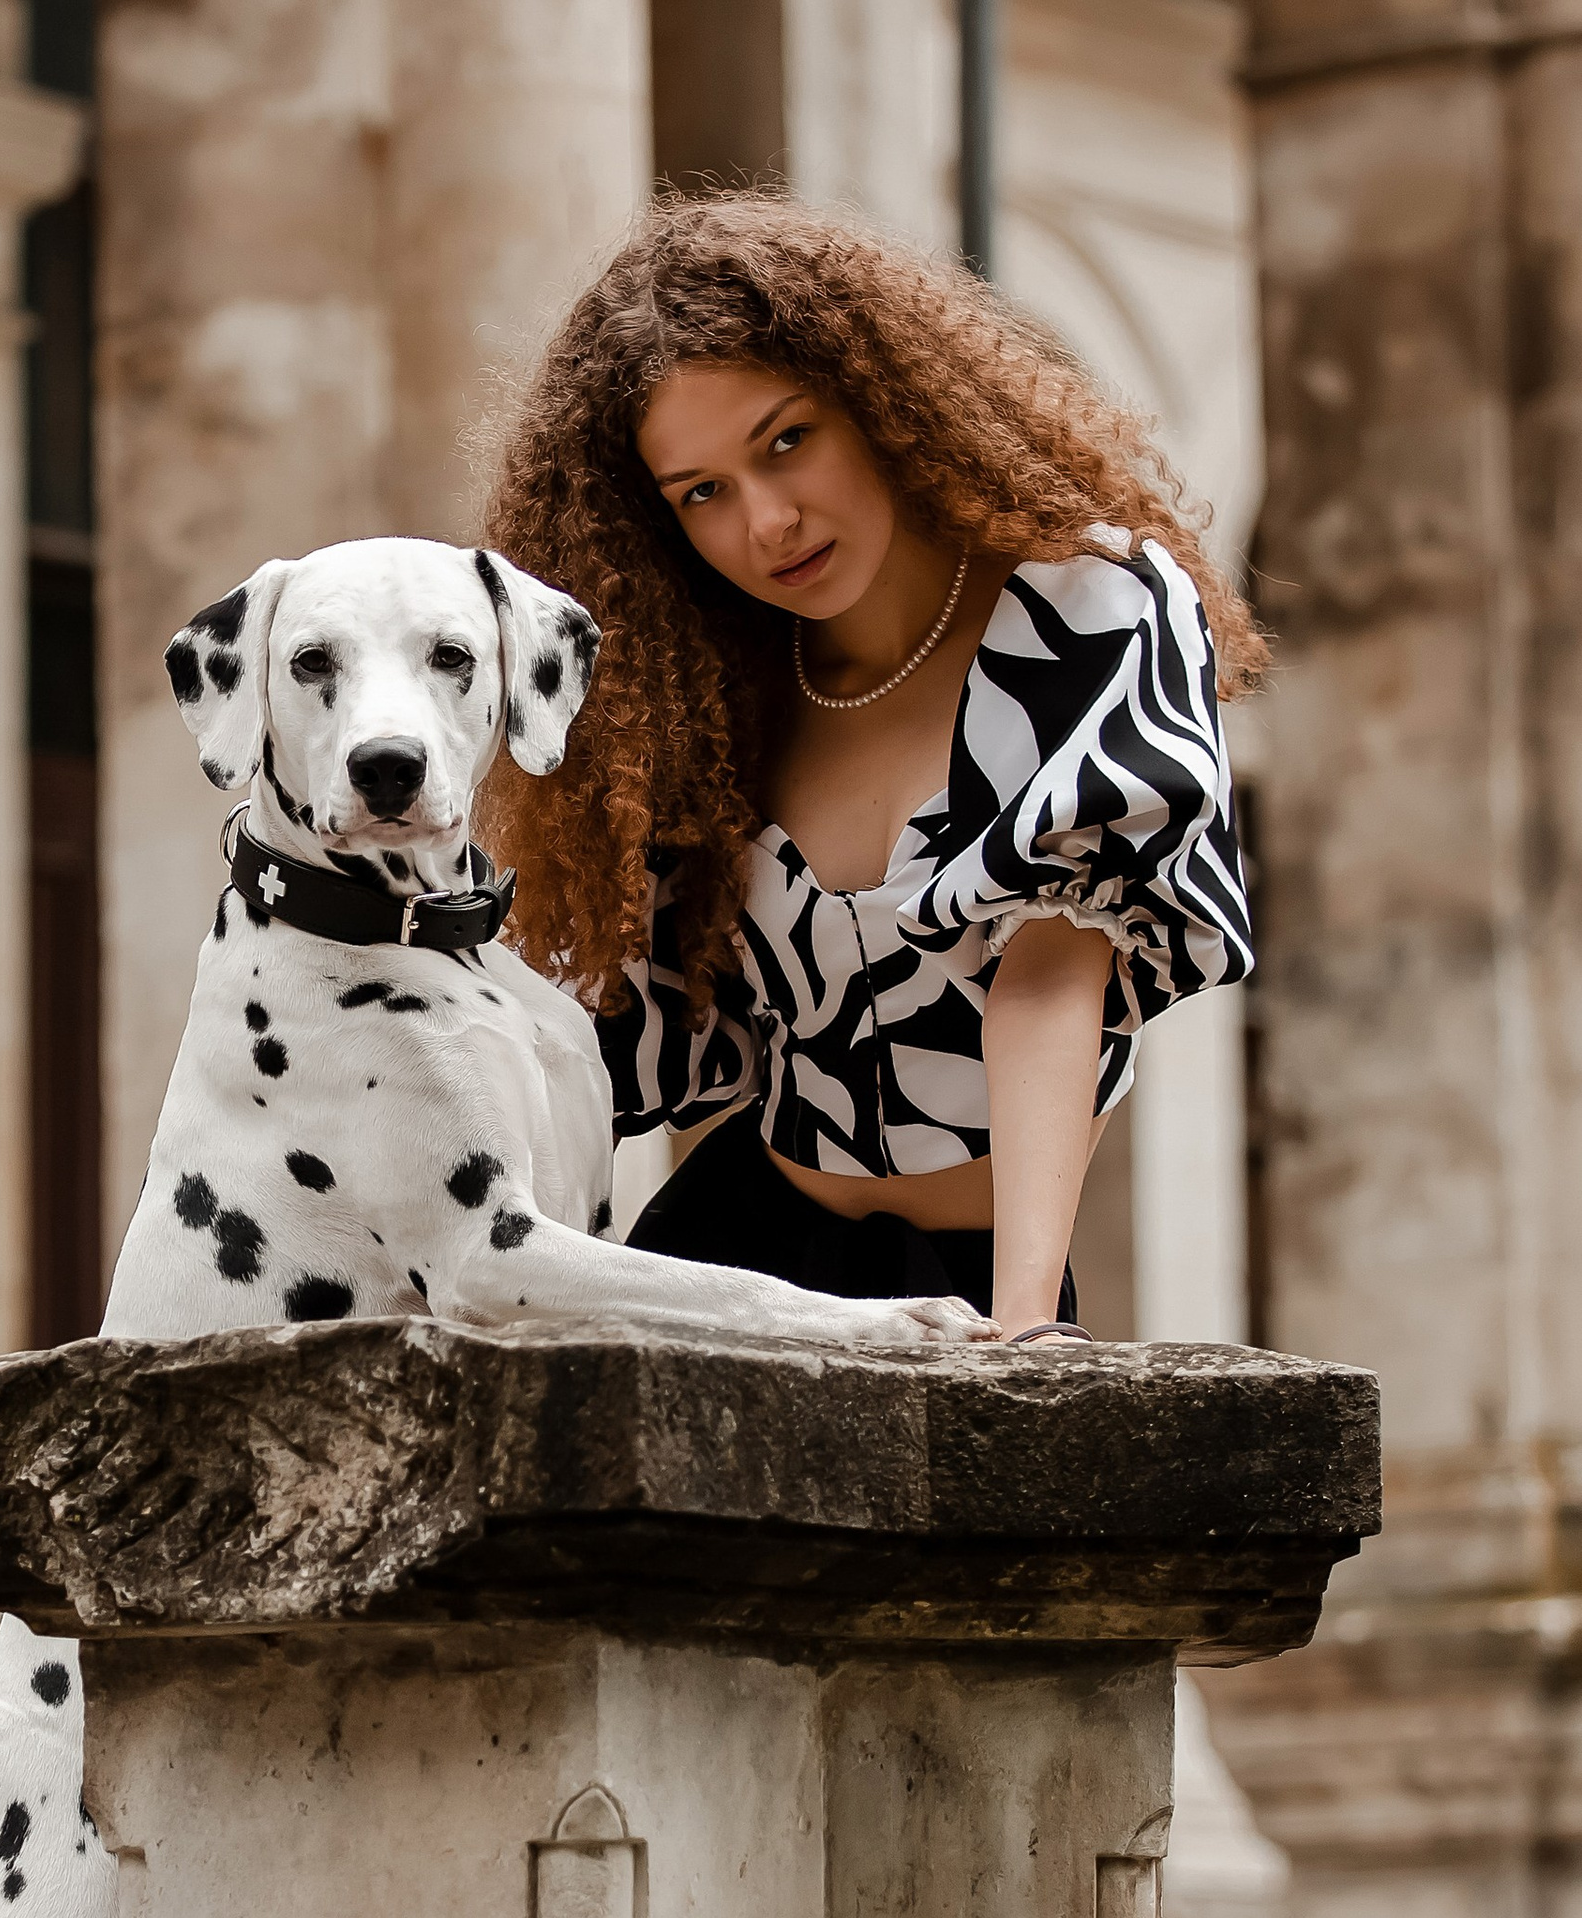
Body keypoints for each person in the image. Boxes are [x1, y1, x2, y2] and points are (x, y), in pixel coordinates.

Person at [481, 195, 1260, 1339]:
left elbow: (1051, 980)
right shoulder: (710, 689)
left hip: (980, 1280)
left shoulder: (1087, 613)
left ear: (878, 401)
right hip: (736, 1262)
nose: (768, 522)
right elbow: (581, 1042)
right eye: (702, 494)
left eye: (785, 440)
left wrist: (1025, 1323)